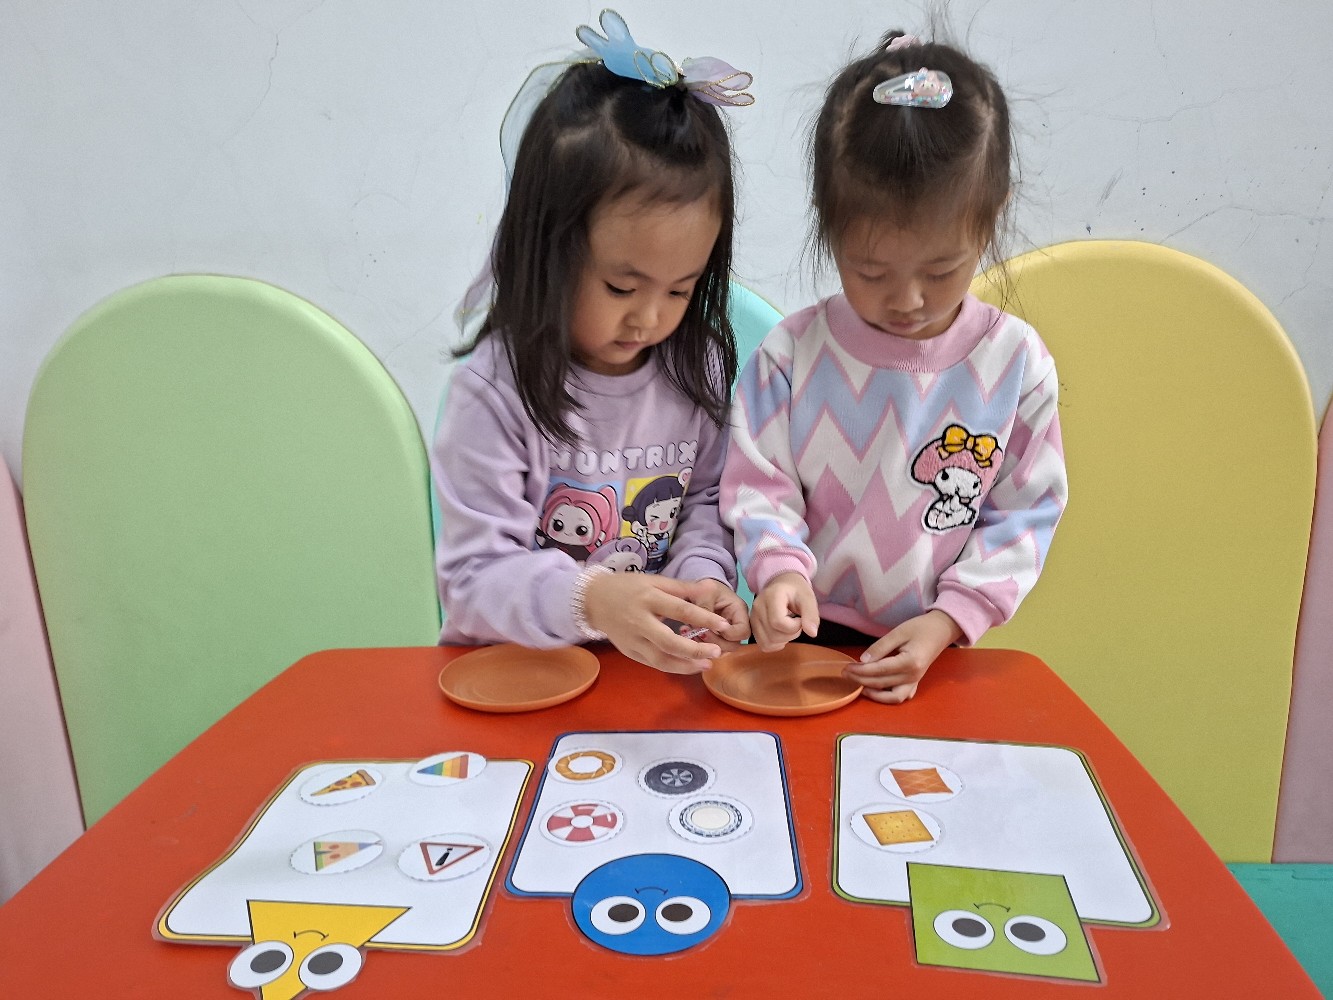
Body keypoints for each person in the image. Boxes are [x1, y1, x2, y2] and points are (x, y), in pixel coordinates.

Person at [722, 30, 1067, 703]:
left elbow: (1024, 514)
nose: (907, 300)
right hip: (805, 638)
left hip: (936, 647)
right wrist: (778, 572)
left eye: (940, 271)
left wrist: (950, 620)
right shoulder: (791, 355)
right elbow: (759, 485)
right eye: (870, 271)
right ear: (829, 227)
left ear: (989, 222)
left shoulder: (1016, 365)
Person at [434, 11, 754, 673]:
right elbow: (472, 581)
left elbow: (705, 502)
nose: (649, 319)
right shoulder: (492, 391)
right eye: (620, 286)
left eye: (680, 289)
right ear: (548, 249)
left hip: (647, 678)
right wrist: (592, 600)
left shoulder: (694, 364)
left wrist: (703, 581)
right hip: (520, 681)